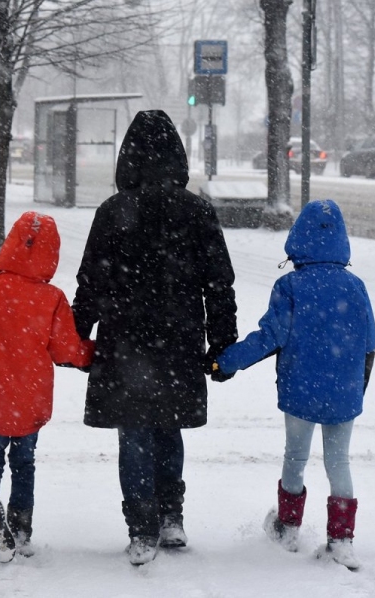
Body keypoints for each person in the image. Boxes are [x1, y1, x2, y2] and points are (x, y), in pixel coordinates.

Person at [71, 110, 238, 566]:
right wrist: (221, 344)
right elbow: (219, 283)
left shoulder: (113, 211)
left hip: (125, 341)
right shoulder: (197, 210)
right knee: (168, 427)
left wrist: (75, 337)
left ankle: (141, 526)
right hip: (178, 337)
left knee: (135, 434)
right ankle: (171, 515)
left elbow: (92, 283)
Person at [214, 199, 375, 571]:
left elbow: (269, 337)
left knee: (296, 456)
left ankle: (287, 527)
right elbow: (369, 343)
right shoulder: (356, 287)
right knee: (339, 461)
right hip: (343, 393)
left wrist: (225, 362)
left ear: (298, 238)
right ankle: (341, 539)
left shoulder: (290, 285)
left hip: (300, 391)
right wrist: (356, 388)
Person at [0, 211, 94, 563]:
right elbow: (66, 349)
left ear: (11, 244)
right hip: (31, 398)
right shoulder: (52, 298)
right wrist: (93, 355)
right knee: (24, 463)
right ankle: (21, 525)